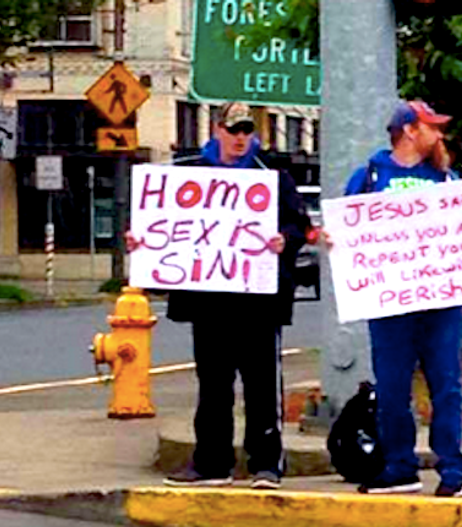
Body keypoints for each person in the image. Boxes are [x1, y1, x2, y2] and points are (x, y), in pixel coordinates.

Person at [127, 102, 312, 489]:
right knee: (213, 385)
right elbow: (161, 226)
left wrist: (285, 240)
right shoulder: (188, 174)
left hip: (258, 302)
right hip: (209, 300)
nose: (241, 138)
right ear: (217, 130)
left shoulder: (272, 178)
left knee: (262, 386)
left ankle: (266, 464)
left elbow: (300, 226)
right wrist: (141, 243)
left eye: (247, 130)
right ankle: (212, 463)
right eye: (234, 130)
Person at [345, 100, 462, 497]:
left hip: (441, 302)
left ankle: (452, 470)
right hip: (390, 302)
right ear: (410, 131)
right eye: (432, 127)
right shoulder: (369, 176)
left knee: (446, 385)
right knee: (393, 387)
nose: (440, 135)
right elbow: (347, 226)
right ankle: (400, 467)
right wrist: (336, 238)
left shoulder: (447, 179)